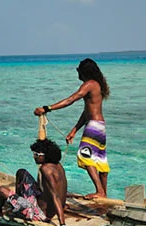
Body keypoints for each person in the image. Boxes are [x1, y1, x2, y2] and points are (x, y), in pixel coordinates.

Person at [34, 58, 111, 199]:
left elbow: (71, 99)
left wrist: (47, 108)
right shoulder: (96, 85)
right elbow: (87, 112)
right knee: (100, 160)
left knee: (85, 156)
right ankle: (104, 193)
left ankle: (99, 191)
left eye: (78, 70)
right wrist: (74, 130)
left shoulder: (89, 84)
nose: (78, 73)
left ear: (83, 72)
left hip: (93, 126)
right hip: (100, 126)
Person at [0, 138, 80, 226]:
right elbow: (59, 191)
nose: (34, 157)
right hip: (40, 201)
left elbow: (55, 195)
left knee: (0, 190)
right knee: (21, 172)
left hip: (39, 213)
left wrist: (63, 224)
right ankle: (18, 205)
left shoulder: (45, 169)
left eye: (37, 155)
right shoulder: (58, 166)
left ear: (46, 156)